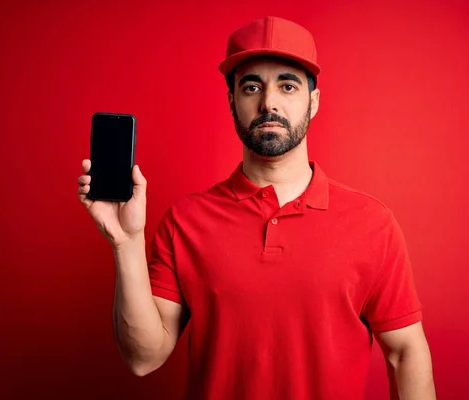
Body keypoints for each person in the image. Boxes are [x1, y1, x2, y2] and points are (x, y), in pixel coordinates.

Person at [77, 16, 436, 400]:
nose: (269, 102)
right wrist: (126, 241)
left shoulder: (372, 224)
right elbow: (143, 358)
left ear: (313, 102)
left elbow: (405, 353)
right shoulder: (185, 221)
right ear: (232, 101)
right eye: (252, 87)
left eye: (287, 85)